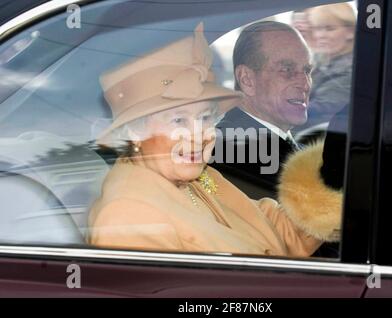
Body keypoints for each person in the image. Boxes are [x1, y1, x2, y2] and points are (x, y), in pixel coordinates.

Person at [87, 23, 341, 257]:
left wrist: (343, 165)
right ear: (135, 131)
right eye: (178, 121)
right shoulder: (129, 215)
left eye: (206, 117)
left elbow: (280, 231)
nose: (200, 136)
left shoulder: (199, 179)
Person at [211, 21, 312, 197]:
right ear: (247, 79)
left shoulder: (293, 148)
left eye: (307, 70)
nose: (305, 83)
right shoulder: (229, 155)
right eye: (287, 70)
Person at [292, 3, 356, 134]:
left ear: (350, 32)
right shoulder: (324, 60)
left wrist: (271, 109)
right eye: (317, 29)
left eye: (329, 29)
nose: (320, 35)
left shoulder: (349, 71)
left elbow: (319, 110)